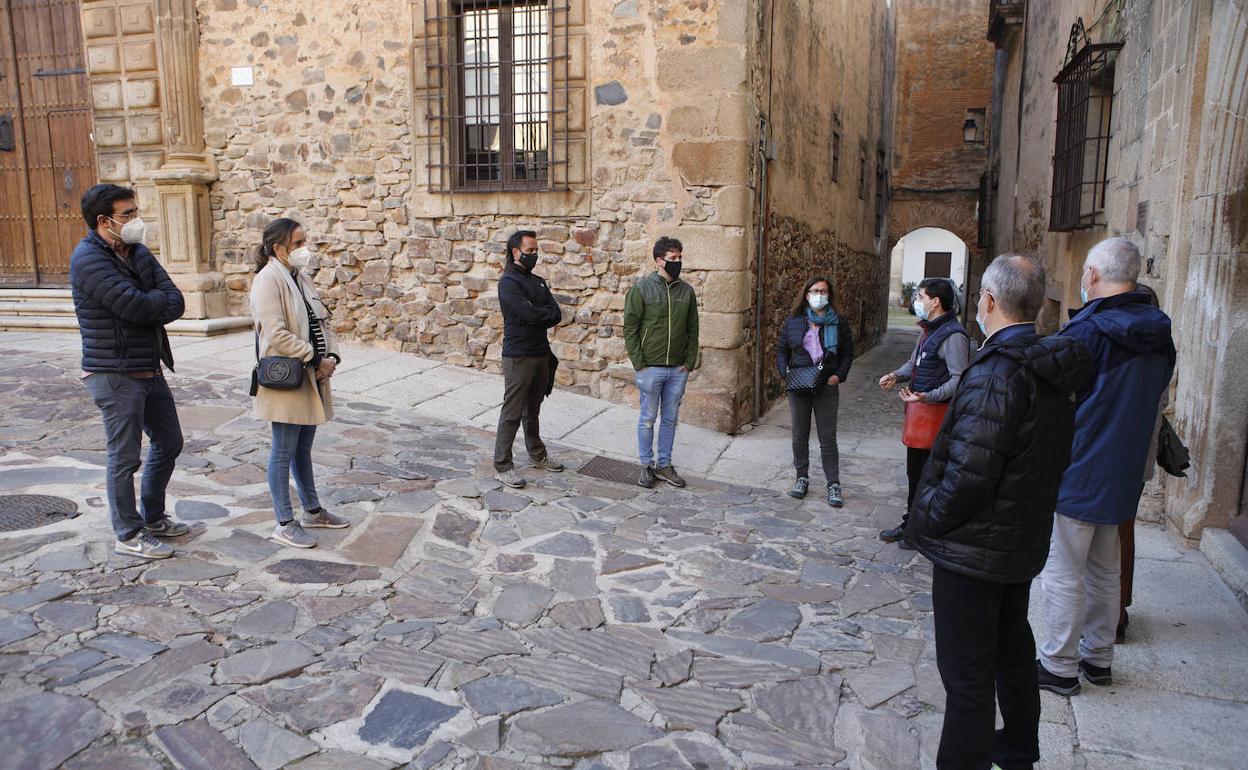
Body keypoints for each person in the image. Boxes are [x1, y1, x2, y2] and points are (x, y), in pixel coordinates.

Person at [906, 255, 1091, 770]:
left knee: (967, 679)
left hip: (975, 552)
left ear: (988, 301)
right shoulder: (1049, 367)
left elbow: (969, 473)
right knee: (1012, 656)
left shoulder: (997, 373)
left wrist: (929, 518)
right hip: (1017, 542)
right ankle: (1016, 754)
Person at [1037, 238, 1175, 695]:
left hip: (1078, 467)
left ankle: (1057, 664)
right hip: (1123, 469)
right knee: (1105, 568)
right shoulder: (1159, 333)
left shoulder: (1086, 335)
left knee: (1064, 570)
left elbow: (1053, 404)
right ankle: (1098, 657)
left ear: (1093, 275)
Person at [71, 184, 189, 560]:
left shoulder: (137, 251)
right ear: (104, 220)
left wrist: (151, 302)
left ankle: (153, 517)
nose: (136, 221)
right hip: (113, 372)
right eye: (128, 215)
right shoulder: (88, 259)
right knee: (124, 458)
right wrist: (152, 302)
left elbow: (176, 299)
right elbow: (136, 307)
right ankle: (127, 532)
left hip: (147, 367)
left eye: (136, 212)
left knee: (169, 441)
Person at [251, 218, 350, 548]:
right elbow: (276, 332)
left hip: (314, 375)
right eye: (297, 243)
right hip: (289, 378)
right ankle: (283, 521)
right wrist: (313, 359)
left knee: (302, 448)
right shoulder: (268, 280)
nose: (303, 249)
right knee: (282, 452)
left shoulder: (301, 277)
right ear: (279, 248)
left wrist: (331, 358)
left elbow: (323, 321)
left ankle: (312, 509)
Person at [878, 277, 969, 545]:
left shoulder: (953, 337)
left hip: (936, 418)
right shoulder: (928, 330)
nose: (916, 301)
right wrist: (896, 375)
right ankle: (911, 526)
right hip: (920, 416)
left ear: (935, 301)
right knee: (915, 475)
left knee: (930, 478)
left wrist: (928, 396)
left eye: (920, 297)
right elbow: (914, 364)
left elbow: (958, 380)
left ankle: (922, 532)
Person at [623, 236, 700, 488]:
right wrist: (639, 363)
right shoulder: (642, 289)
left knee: (670, 419)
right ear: (659, 261)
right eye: (673, 258)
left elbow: (692, 329)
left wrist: (689, 361)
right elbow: (630, 329)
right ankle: (646, 465)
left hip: (678, 368)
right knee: (647, 418)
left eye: (680, 257)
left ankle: (664, 465)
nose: (678, 262)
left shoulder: (686, 291)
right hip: (650, 368)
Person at [493, 229, 565, 489]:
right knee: (512, 412)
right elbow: (529, 314)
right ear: (516, 252)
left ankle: (537, 454)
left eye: (536, 250)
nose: (534, 255)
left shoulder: (538, 282)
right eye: (530, 251)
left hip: (541, 353)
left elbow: (556, 313)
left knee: (532, 409)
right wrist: (539, 313)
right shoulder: (508, 283)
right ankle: (503, 465)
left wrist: (539, 313)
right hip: (519, 355)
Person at [775, 275, 855, 506]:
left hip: (825, 385)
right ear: (806, 294)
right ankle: (801, 478)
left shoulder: (838, 321)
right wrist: (785, 372)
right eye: (814, 291)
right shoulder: (794, 320)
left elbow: (848, 352)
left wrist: (838, 375)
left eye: (823, 291)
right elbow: (781, 349)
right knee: (799, 434)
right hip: (799, 384)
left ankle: (833, 484)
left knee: (827, 437)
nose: (819, 295)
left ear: (829, 294)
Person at [1117, 282, 1168, 643]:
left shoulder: (1132, 349)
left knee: (1113, 536)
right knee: (1124, 531)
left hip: (1117, 454)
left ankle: (1115, 611)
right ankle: (1120, 606)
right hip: (1137, 455)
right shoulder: (1162, 349)